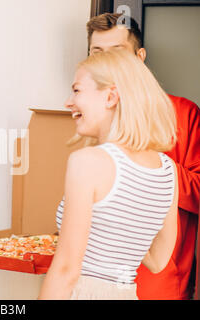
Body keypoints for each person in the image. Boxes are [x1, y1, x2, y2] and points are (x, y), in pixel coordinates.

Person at [38, 49, 179, 300]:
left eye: (77, 90)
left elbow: (67, 270)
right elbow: (158, 260)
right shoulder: (168, 170)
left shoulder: (88, 162)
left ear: (111, 97)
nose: (68, 102)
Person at [86, 13, 199, 300]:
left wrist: (151, 165)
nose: (107, 65)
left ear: (139, 57)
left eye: (117, 54)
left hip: (160, 283)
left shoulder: (183, 114)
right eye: (97, 54)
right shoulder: (85, 119)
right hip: (96, 281)